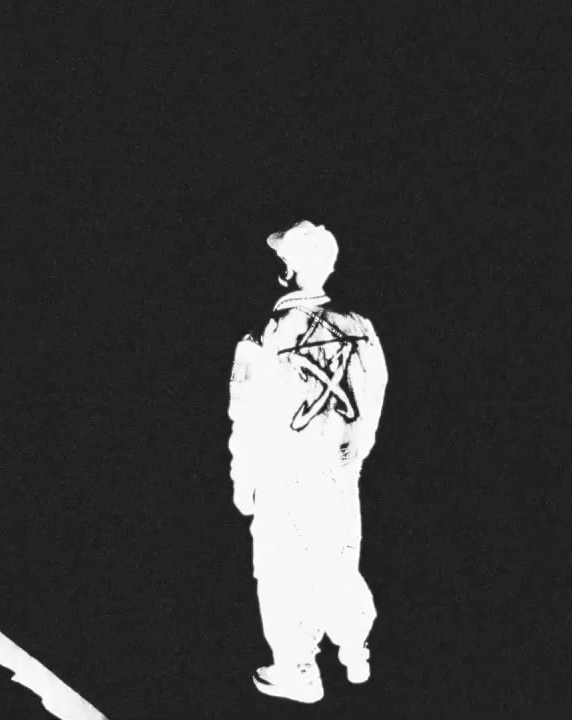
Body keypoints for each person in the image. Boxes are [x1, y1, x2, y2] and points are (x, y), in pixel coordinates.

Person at [227, 221, 389, 704]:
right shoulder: (360, 327)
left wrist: (243, 481)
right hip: (337, 472)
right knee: (337, 555)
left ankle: (296, 667)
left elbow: (245, 418)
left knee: (282, 567)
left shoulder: (260, 337)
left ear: (287, 269)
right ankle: (353, 645)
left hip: (283, 474)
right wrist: (356, 448)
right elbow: (374, 393)